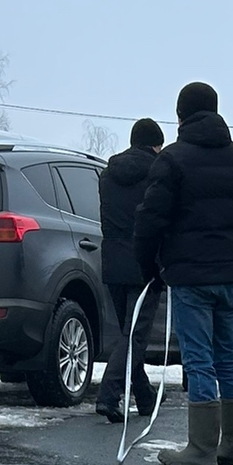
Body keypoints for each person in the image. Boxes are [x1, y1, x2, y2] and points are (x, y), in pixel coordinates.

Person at [133, 81, 233, 465]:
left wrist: (148, 266)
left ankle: (200, 448)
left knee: (198, 360)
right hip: (230, 274)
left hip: (190, 276)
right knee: (227, 358)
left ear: (180, 115)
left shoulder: (172, 160)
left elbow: (150, 218)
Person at [93, 117, 165, 421]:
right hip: (143, 262)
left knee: (127, 332)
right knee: (134, 336)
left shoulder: (108, 174)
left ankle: (145, 396)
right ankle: (109, 395)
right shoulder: (157, 173)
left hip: (112, 261)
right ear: (155, 144)